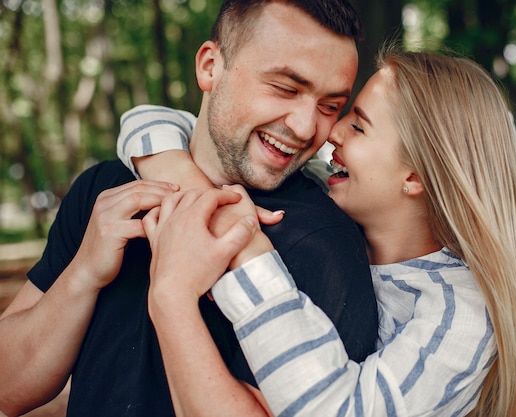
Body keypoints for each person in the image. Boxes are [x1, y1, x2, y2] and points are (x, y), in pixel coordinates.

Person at [121, 45, 516, 417]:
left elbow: (335, 410)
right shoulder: (325, 192)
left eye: (358, 126)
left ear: (415, 176)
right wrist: (194, 191)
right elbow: (149, 120)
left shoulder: (460, 315)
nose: (332, 133)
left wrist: (244, 243)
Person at [0, 1, 380, 416]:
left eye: (330, 106)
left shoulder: (325, 243)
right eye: (285, 89)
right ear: (210, 67)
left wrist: (173, 297)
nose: (307, 127)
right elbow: (8, 388)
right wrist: (83, 275)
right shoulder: (105, 192)